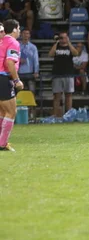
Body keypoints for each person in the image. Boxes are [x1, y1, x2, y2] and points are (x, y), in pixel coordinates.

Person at [0, 20, 23, 152]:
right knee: (11, 111)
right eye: (19, 28)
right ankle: (2, 144)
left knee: (2, 111)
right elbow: (9, 62)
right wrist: (16, 80)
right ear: (14, 29)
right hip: (3, 78)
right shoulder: (13, 42)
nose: (19, 31)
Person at [49, 31, 79, 118]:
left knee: (68, 95)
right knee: (57, 96)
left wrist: (69, 43)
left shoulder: (70, 47)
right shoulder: (56, 46)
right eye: (61, 38)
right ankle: (55, 116)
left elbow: (76, 53)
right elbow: (51, 54)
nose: (63, 40)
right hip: (57, 74)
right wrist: (56, 43)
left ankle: (68, 115)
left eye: (65, 37)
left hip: (68, 73)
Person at [18, 28, 38, 93]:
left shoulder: (33, 47)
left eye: (27, 33)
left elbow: (36, 60)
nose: (26, 35)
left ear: (29, 35)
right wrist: (19, 60)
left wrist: (36, 71)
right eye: (24, 33)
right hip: (19, 72)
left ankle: (31, 103)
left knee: (32, 91)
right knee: (19, 92)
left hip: (30, 72)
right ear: (21, 35)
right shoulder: (17, 46)